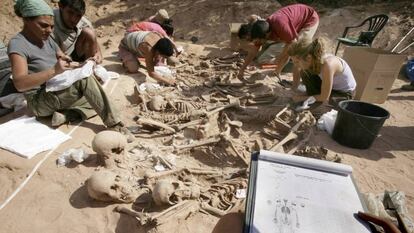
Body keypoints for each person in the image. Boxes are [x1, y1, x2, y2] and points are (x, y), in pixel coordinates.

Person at [8, 0, 134, 141]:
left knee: (96, 97)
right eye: (43, 26)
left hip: (56, 89)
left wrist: (82, 65)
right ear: (27, 20)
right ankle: (115, 125)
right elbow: (19, 84)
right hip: (39, 101)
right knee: (87, 84)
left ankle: (67, 115)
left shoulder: (46, 37)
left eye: (51, 26)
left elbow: (62, 57)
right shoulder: (18, 44)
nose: (49, 30)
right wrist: (54, 71)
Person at [237, 4, 319, 78]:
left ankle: (309, 66)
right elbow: (253, 52)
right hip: (291, 25)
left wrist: (276, 71)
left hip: (309, 19)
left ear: (266, 35)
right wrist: (242, 70)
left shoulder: (280, 27)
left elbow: (291, 47)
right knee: (270, 56)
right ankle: (286, 64)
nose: (256, 42)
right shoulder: (260, 30)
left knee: (298, 50)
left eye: (259, 40)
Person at [287, 38, 356, 109]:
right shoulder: (314, 60)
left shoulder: (328, 65)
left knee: (312, 109)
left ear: (308, 58)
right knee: (304, 72)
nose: (295, 65)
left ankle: (315, 100)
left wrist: (300, 98)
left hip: (342, 94)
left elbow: (324, 97)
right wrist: (294, 90)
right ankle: (312, 96)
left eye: (297, 62)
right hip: (330, 88)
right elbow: (297, 69)